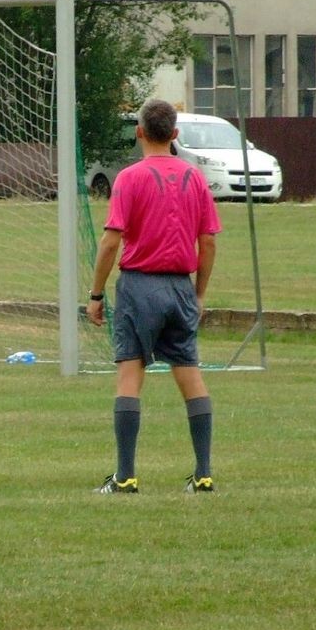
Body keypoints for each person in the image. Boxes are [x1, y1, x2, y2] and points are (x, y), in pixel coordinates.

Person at [87, 99, 221, 494]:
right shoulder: (194, 178)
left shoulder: (129, 178)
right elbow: (208, 242)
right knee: (190, 375)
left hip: (138, 286)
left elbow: (111, 242)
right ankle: (204, 473)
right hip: (180, 287)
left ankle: (125, 477)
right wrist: (198, 293)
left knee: (130, 374)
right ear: (175, 134)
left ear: (139, 131)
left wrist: (95, 294)